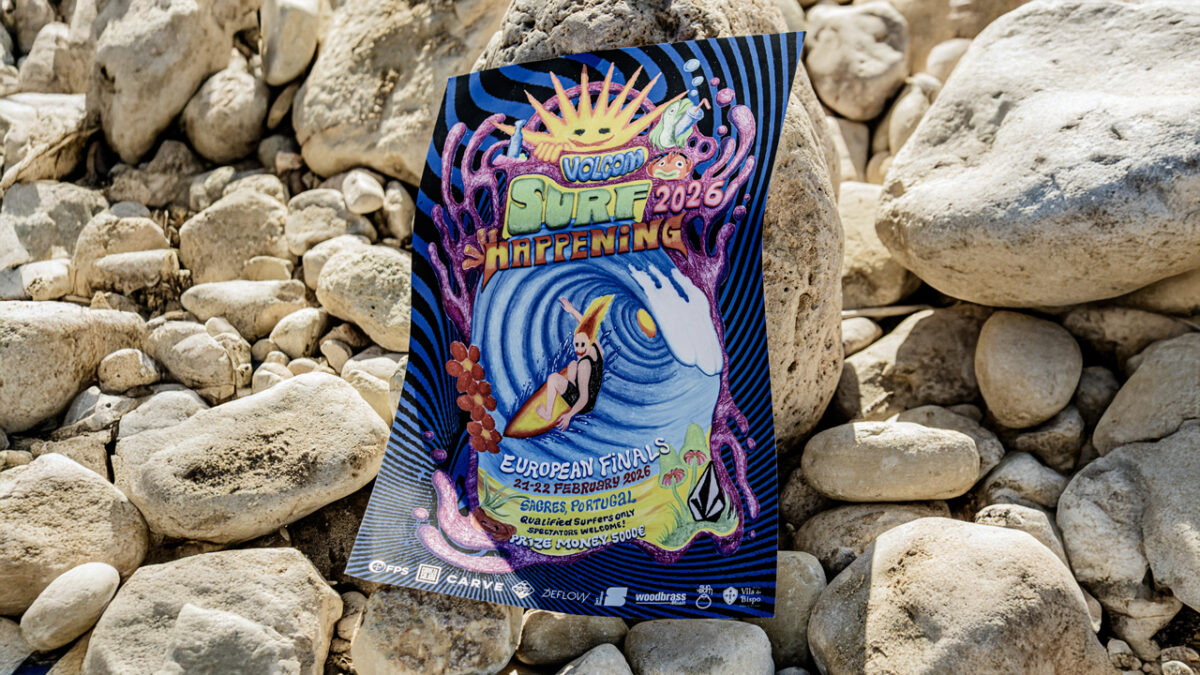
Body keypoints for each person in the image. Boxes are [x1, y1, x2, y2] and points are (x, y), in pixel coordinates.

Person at [537, 297, 604, 431]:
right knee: (573, 364)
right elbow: (586, 326)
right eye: (576, 345)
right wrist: (572, 311)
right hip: (590, 396)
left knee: (553, 378)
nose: (578, 349)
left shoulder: (585, 365)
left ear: (588, 343)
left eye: (582, 345)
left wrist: (568, 416)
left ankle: (548, 414)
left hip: (584, 404)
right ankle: (571, 386)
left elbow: (584, 398)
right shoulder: (598, 350)